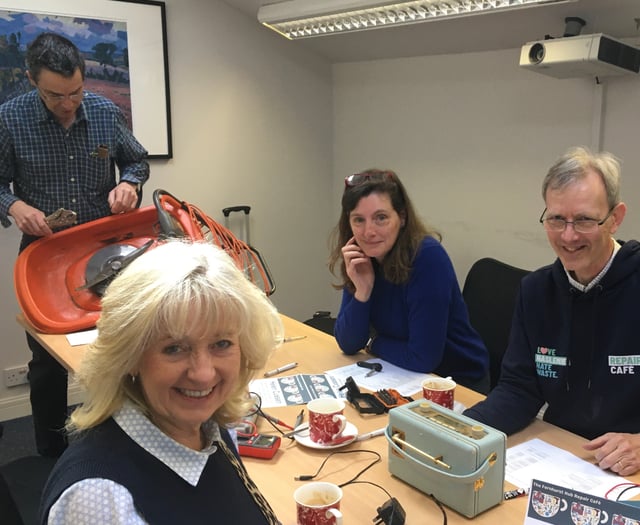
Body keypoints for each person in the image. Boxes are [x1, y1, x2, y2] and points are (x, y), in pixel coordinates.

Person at [40, 240, 284, 524]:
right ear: (130, 357)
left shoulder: (212, 428)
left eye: (221, 343)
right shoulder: (102, 501)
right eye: (174, 348)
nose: (203, 373)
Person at [0, 32, 150, 457]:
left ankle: (125, 442)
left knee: (122, 347)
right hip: (43, 255)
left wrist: (129, 183)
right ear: (31, 80)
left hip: (106, 250)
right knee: (48, 362)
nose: (68, 104)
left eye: (76, 92)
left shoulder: (103, 111)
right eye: (55, 95)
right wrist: (14, 206)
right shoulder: (9, 119)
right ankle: (52, 453)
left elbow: (136, 159)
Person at [464, 146, 640, 476]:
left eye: (585, 220)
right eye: (557, 219)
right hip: (565, 457)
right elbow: (518, 390)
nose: (568, 236)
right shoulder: (535, 291)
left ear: (615, 218)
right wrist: (460, 432)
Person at [328, 169, 490, 393]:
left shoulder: (427, 258)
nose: (369, 232)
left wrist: (373, 342)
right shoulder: (360, 256)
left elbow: (423, 358)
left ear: (402, 217)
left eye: (381, 218)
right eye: (358, 220)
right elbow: (348, 343)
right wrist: (362, 290)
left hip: (455, 383)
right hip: (399, 373)